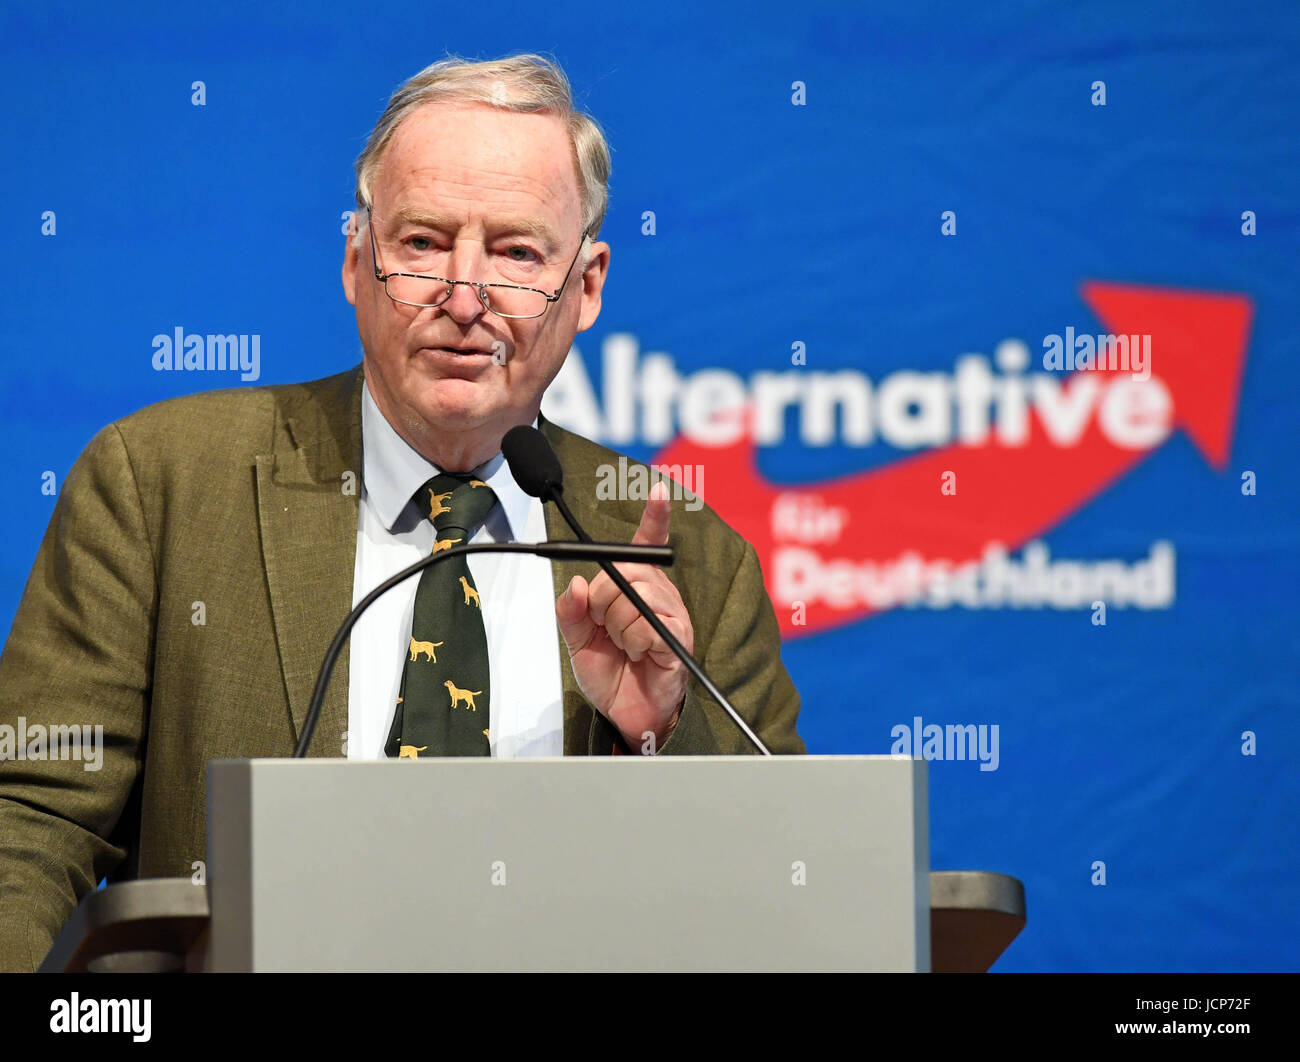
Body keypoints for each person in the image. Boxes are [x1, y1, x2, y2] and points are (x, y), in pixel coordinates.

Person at [0, 53, 803, 971]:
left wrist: (662, 732)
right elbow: (30, 817)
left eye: (516, 253)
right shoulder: (163, 485)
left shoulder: (690, 559)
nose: (465, 299)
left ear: (585, 289)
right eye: (422, 243)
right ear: (356, 260)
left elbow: (788, 884)